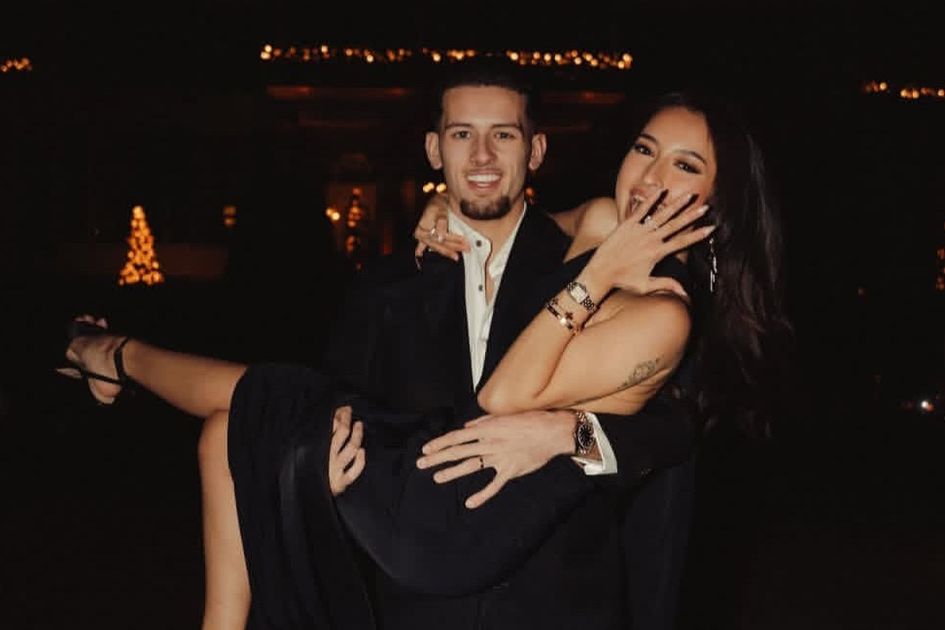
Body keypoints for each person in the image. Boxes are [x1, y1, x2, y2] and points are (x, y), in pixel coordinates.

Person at [62, 67, 789, 630]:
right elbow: (531, 225)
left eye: (685, 166)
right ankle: (113, 361)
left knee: (268, 398)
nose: (652, 176)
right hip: (418, 535)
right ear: (435, 147)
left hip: (515, 570)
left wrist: (570, 423)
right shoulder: (579, 229)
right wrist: (445, 205)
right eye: (644, 149)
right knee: (237, 428)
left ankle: (112, 355)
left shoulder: (660, 308)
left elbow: (662, 421)